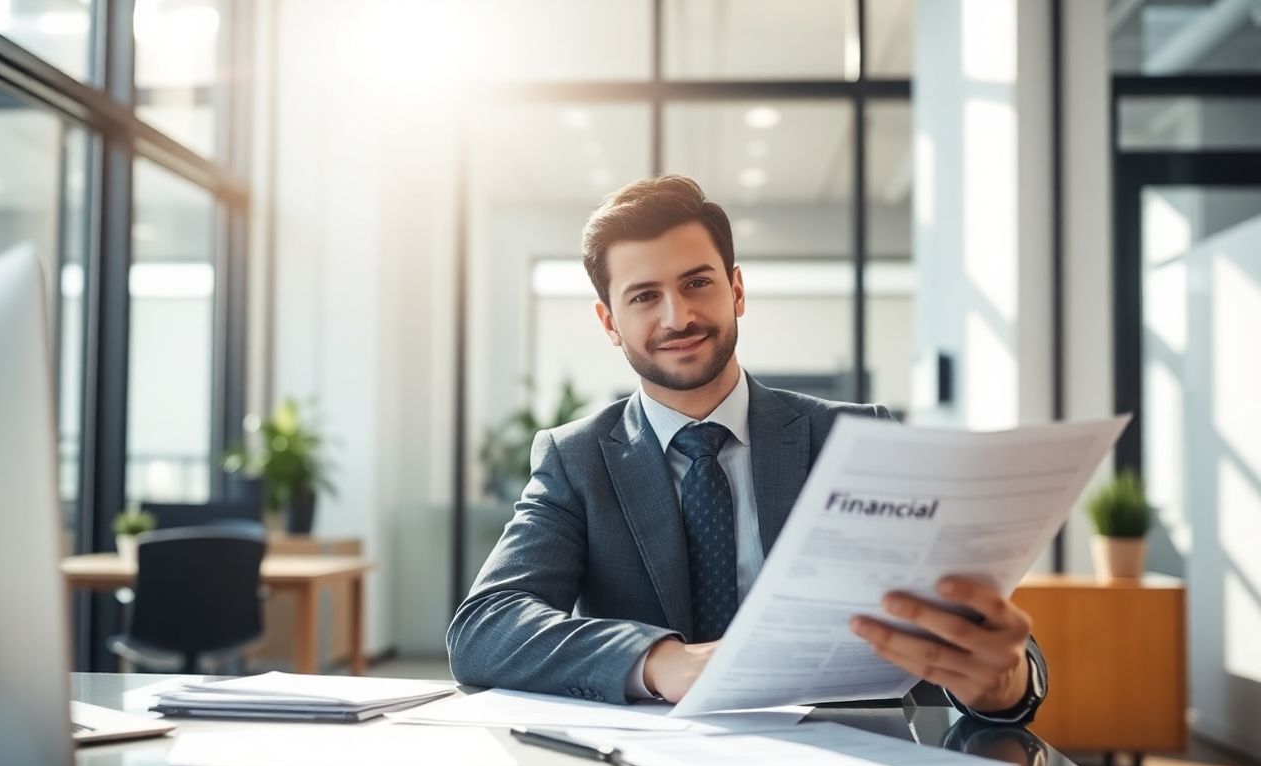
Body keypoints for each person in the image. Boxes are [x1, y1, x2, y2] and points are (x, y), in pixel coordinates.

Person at [447, 175, 1047, 723]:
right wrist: (660, 661)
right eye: (644, 297)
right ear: (609, 323)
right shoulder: (576, 461)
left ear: (736, 290)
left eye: (697, 283)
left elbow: (966, 620)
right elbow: (485, 628)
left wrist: (1008, 683)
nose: (677, 316)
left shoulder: (856, 438)